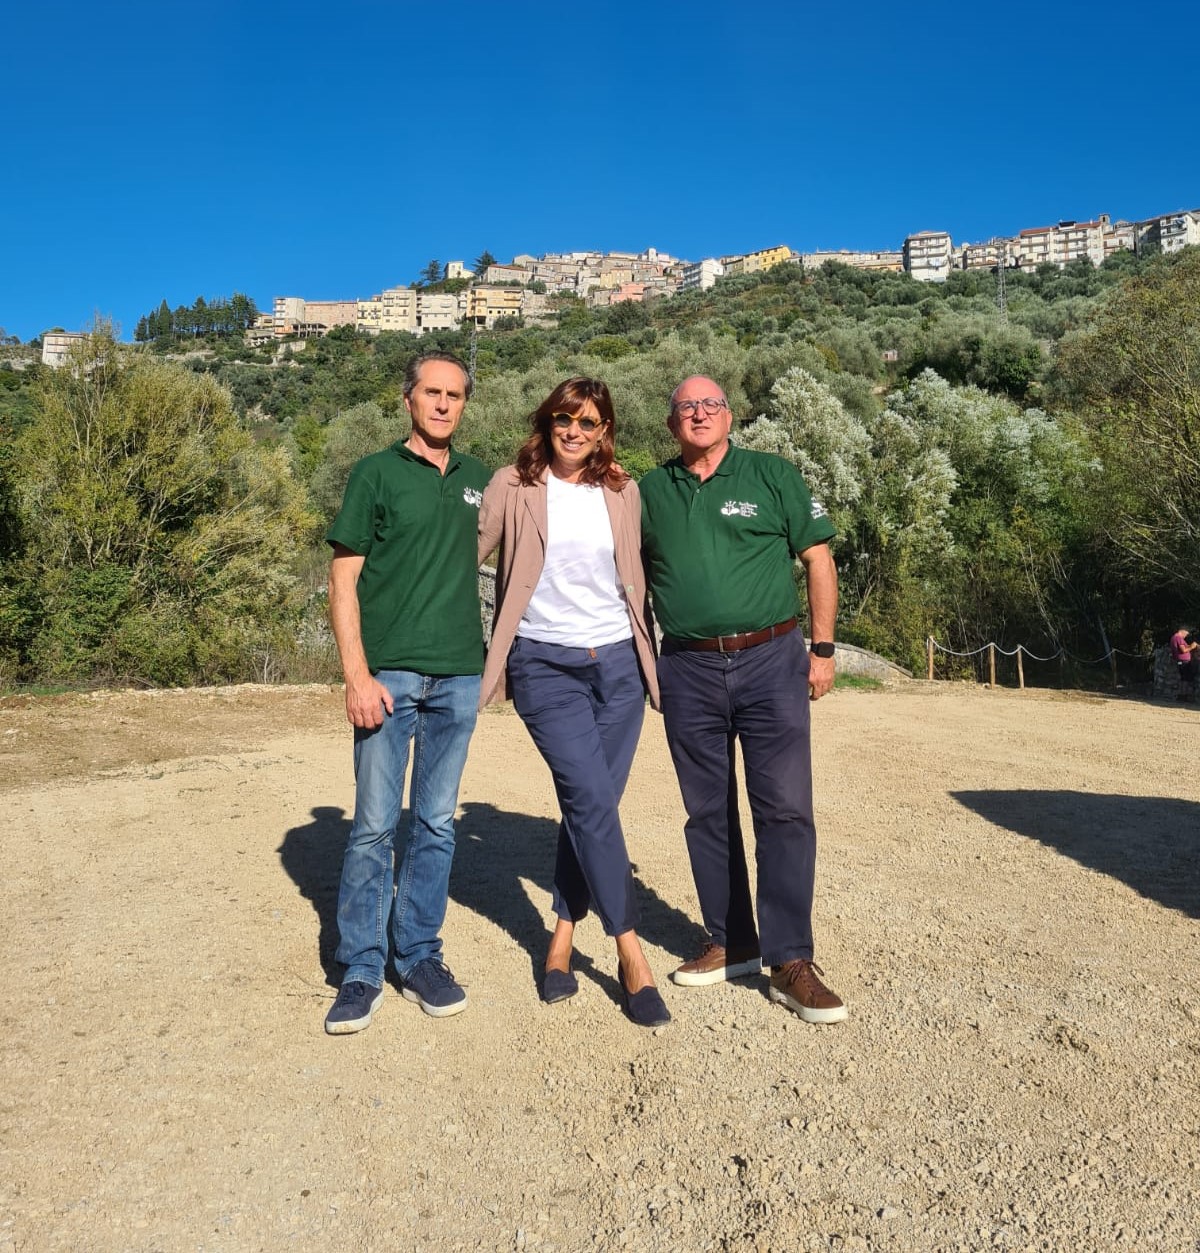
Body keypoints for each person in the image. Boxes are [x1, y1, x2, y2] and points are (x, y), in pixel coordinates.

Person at [639, 375, 848, 1025]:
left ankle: (790, 960)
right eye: (685, 407)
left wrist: (822, 647)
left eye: (710, 404)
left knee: (785, 807)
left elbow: (817, 558)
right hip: (688, 667)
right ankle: (732, 939)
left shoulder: (772, 476)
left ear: (729, 416)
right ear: (671, 423)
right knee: (706, 812)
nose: (698, 414)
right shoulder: (648, 491)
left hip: (772, 659)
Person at [477, 378, 670, 1028]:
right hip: (544, 664)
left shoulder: (622, 489)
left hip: (618, 667)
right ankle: (629, 952)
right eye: (565, 417)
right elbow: (456, 555)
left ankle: (560, 935)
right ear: (548, 419)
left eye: (589, 421)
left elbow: (640, 571)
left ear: (605, 428)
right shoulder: (514, 484)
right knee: (590, 800)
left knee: (591, 808)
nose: (574, 430)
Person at [323, 352, 490, 1034]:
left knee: (435, 823)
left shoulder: (484, 480)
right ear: (408, 399)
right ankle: (361, 968)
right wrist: (356, 676)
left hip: (459, 676)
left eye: (455, 394)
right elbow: (341, 584)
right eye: (432, 392)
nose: (444, 404)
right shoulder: (376, 474)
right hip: (386, 678)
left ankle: (418, 953)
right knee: (371, 827)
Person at [1170, 625, 1198, 701]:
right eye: (1186, 634)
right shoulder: (1179, 638)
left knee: (1183, 678)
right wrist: (1192, 646)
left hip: (1179, 661)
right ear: (1183, 631)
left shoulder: (1173, 637)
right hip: (1184, 661)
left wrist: (1190, 646)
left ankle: (1181, 695)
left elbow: (1183, 648)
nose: (1186, 636)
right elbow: (1183, 650)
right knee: (1186, 678)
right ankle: (1184, 696)